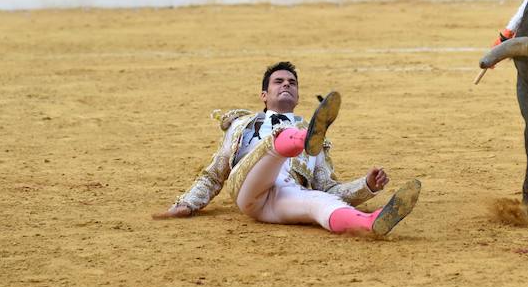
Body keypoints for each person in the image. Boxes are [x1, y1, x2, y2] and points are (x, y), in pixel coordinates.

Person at [153, 63, 421, 236]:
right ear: (264, 95)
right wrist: (187, 204)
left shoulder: (319, 139)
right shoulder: (242, 125)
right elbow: (214, 174)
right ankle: (294, 139)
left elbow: (327, 187)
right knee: (273, 146)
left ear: (297, 96)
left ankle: (369, 222)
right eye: (278, 82)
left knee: (321, 202)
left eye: (292, 83)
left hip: (278, 201)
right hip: (246, 186)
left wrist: (367, 185)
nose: (286, 85)